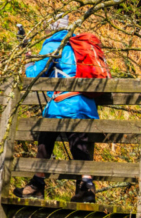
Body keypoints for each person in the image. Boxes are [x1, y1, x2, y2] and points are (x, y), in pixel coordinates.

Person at [13, 15, 99, 203]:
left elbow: (33, 74)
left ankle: (37, 184)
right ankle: (86, 188)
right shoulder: (76, 46)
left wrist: (26, 59)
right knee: (78, 143)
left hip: (64, 104)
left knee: (45, 138)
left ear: (51, 27)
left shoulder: (53, 44)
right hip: (85, 104)